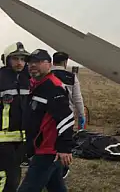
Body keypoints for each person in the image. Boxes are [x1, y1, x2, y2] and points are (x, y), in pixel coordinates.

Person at [17, 49, 74, 192]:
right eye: (30, 62)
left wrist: (64, 148)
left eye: (37, 62)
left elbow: (66, 117)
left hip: (47, 150)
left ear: (49, 65)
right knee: (56, 187)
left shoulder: (53, 87)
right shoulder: (36, 84)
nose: (32, 65)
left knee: (28, 188)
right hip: (42, 149)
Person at [0, 42, 31, 192]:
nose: (20, 63)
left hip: (21, 139)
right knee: (6, 178)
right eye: (15, 58)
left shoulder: (28, 80)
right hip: (2, 139)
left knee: (14, 176)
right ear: (7, 59)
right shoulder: (1, 78)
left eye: (23, 59)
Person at [51, 51, 85, 179]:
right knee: (64, 142)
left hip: (49, 115)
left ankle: (51, 166)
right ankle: (63, 169)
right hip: (67, 116)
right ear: (66, 62)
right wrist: (82, 114)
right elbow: (77, 98)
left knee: (50, 141)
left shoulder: (48, 75)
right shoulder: (71, 77)